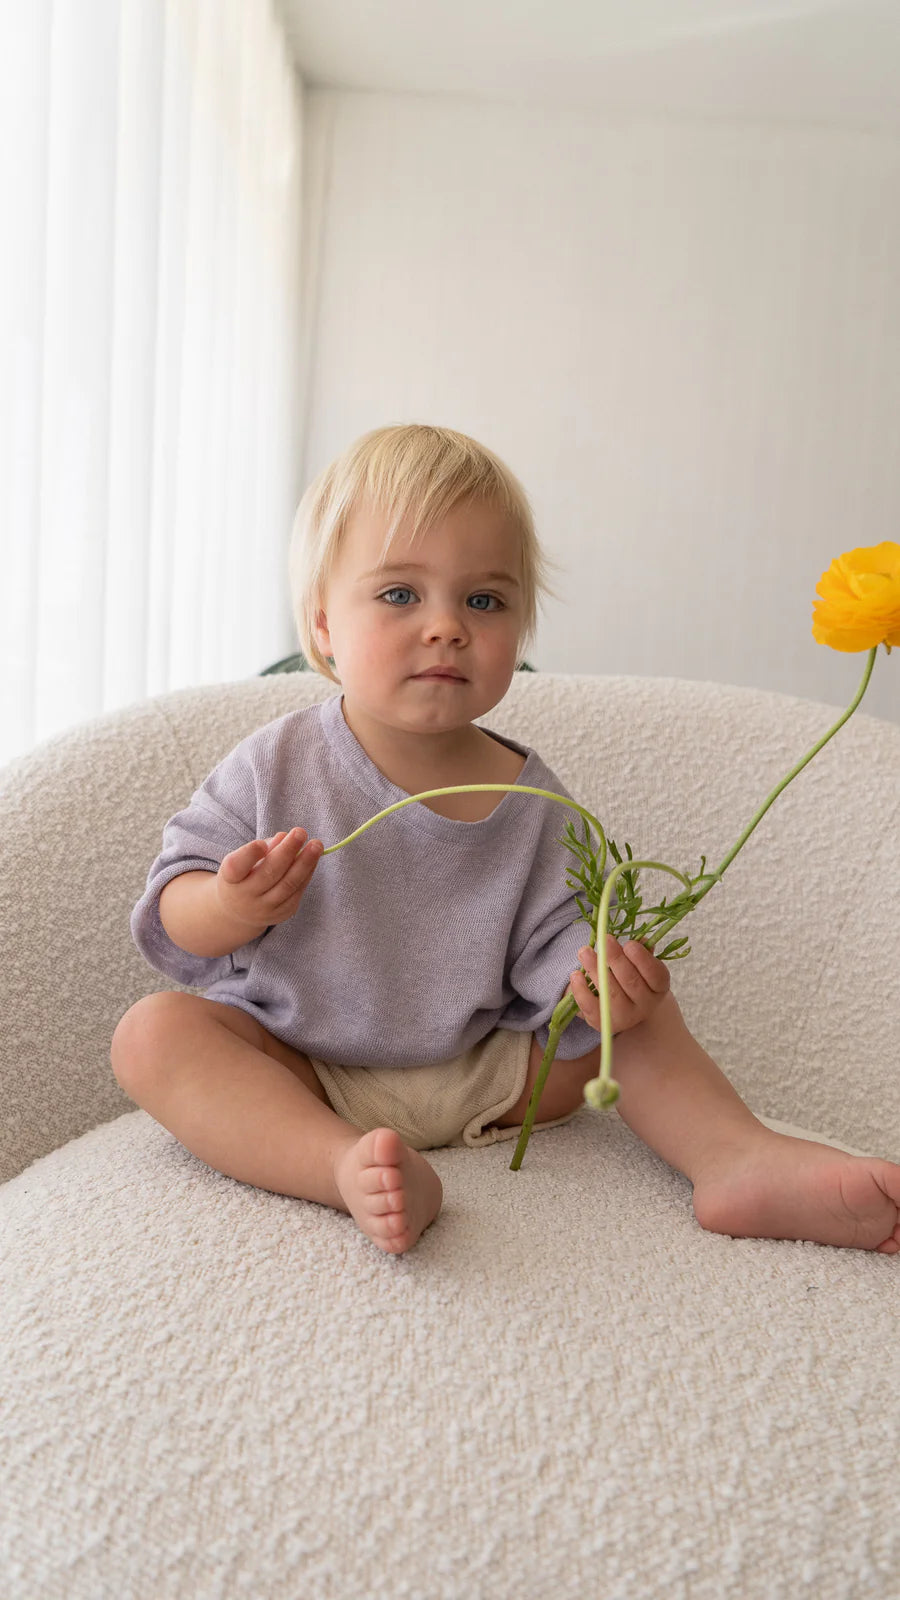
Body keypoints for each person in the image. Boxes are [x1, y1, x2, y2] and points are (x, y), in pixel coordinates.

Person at [112, 424, 900, 1259]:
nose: (446, 626)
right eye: (400, 594)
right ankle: (341, 1165)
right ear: (324, 625)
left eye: (483, 601)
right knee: (154, 1035)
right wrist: (230, 903)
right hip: (302, 1067)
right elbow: (173, 915)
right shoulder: (275, 764)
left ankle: (736, 1158)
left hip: (493, 1073)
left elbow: (560, 953)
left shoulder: (535, 801)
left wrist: (601, 985)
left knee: (635, 1017)